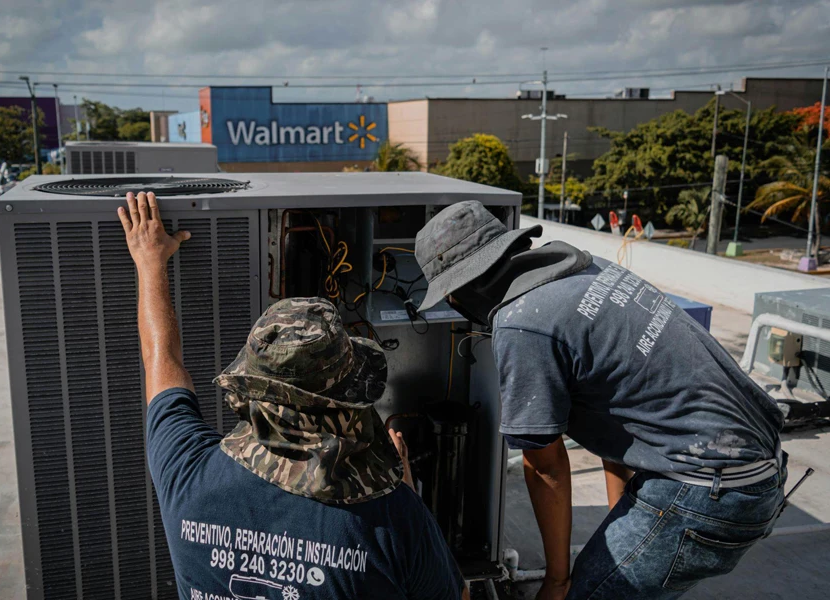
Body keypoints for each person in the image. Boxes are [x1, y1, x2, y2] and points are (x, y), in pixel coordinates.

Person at [414, 200, 788, 600]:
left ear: (463, 288)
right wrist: (621, 524)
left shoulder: (522, 323)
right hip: (757, 472)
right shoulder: (591, 271)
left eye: (450, 295)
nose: (452, 305)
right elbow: (620, 412)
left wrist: (557, 582)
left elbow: (545, 467)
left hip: (707, 490)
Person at [118, 191, 467, 600]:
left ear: (251, 385)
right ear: (347, 399)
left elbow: (160, 359)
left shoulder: (188, 473)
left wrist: (149, 262)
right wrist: (403, 486)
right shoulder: (392, 518)